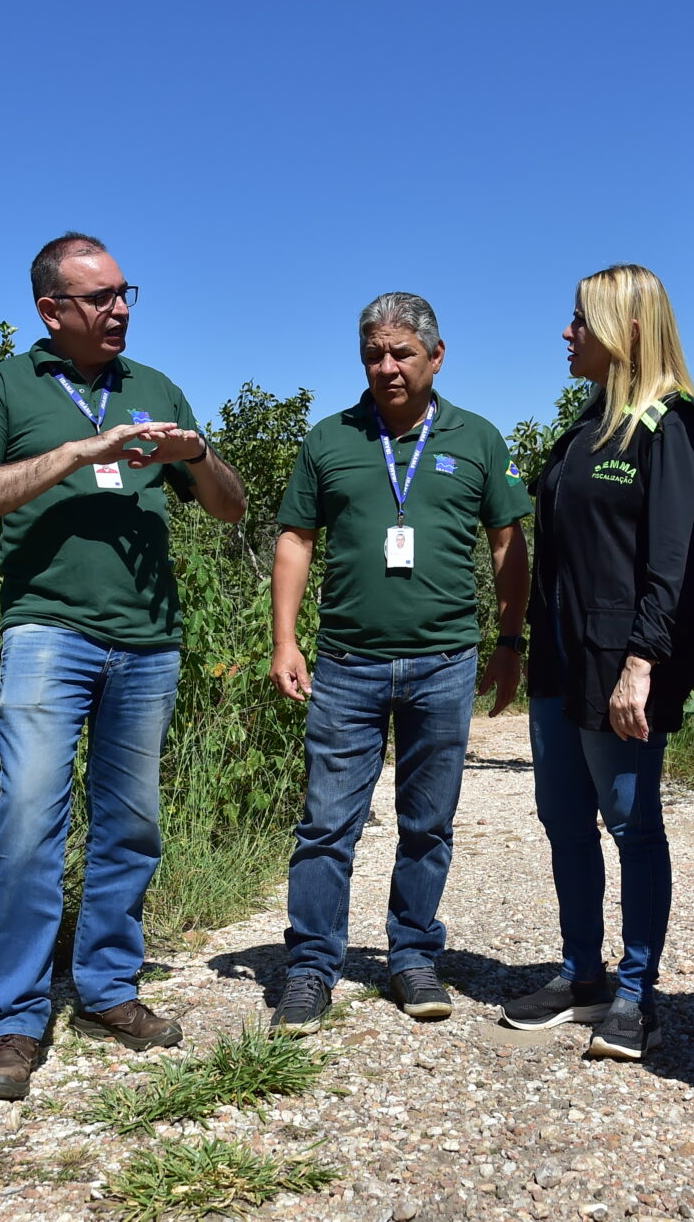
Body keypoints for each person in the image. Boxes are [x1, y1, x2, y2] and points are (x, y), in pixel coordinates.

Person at [0, 232, 247, 1101]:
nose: (118, 309)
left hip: (149, 639)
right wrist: (75, 453)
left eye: (124, 294)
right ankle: (12, 1018)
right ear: (52, 310)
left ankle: (109, 989)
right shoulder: (5, 386)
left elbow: (231, 509)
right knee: (30, 818)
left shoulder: (155, 387)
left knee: (131, 822)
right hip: (48, 633)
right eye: (99, 297)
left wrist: (197, 457)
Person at [267, 292, 532, 1033]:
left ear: (436, 357)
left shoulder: (476, 438)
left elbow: (508, 545)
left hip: (444, 661)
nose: (386, 366)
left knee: (428, 821)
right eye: (374, 354)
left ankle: (412, 954)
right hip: (347, 661)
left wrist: (510, 642)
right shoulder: (330, 439)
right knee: (326, 822)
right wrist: (285, 640)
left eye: (401, 352)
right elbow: (296, 539)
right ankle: (312, 966)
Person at [498, 265, 694, 1061]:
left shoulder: (673, 426)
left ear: (627, 330)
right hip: (561, 660)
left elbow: (674, 562)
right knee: (563, 820)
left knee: (630, 821)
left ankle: (636, 989)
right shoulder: (584, 428)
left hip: (622, 663)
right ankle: (580, 973)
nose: (567, 333)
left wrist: (643, 664)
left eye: (579, 321)